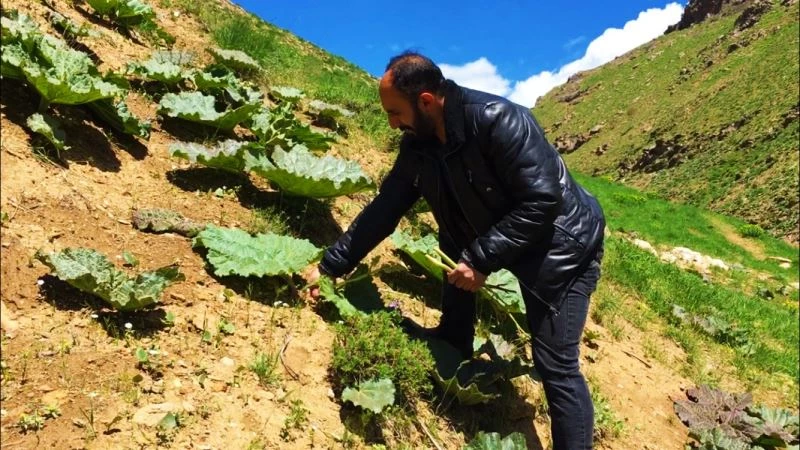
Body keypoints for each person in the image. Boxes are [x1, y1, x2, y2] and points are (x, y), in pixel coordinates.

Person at [307, 51, 605, 450]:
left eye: (396, 113)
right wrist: (330, 267)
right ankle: (454, 343)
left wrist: (481, 258)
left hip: (562, 245)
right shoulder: (419, 145)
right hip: (497, 230)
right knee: (453, 239)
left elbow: (543, 201)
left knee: (556, 364)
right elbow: (385, 209)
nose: (392, 124)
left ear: (426, 101)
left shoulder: (500, 120)